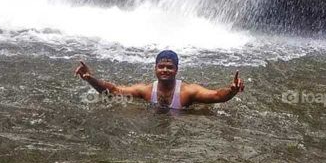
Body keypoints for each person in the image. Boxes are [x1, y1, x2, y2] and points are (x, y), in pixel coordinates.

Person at [74, 49, 244, 110]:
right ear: (155, 69)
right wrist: (91, 79)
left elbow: (216, 96)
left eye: (169, 67)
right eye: (161, 66)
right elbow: (114, 91)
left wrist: (232, 90)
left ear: (176, 70)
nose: (165, 70)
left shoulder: (188, 91)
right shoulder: (146, 90)